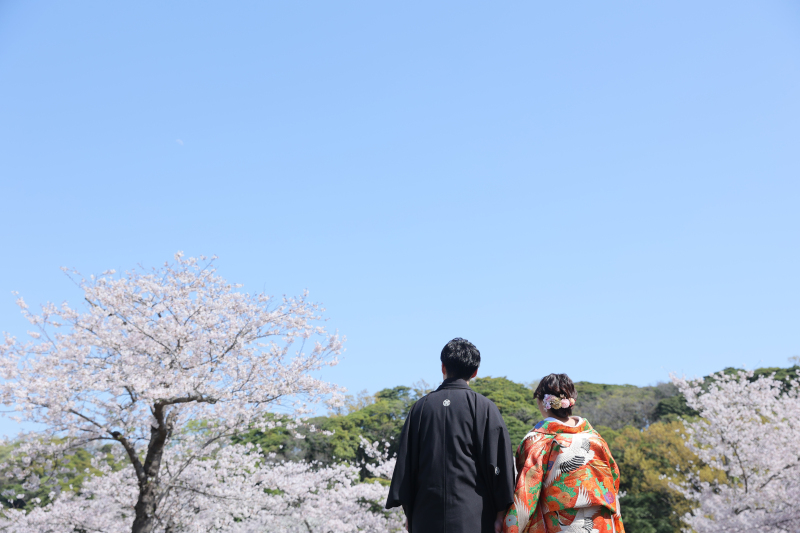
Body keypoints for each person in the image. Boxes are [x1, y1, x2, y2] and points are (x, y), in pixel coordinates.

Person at [386, 338, 515, 533]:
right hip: (475, 517)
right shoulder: (485, 408)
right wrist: (500, 513)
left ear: (443, 367)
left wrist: (410, 514)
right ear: (475, 371)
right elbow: (499, 464)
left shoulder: (420, 408)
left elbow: (407, 465)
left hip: (426, 515)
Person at [502, 373, 625, 533]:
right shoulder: (596, 439)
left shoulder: (538, 440)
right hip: (603, 522)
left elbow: (527, 493)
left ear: (541, 401)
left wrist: (511, 526)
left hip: (562, 524)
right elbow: (613, 483)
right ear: (571, 402)